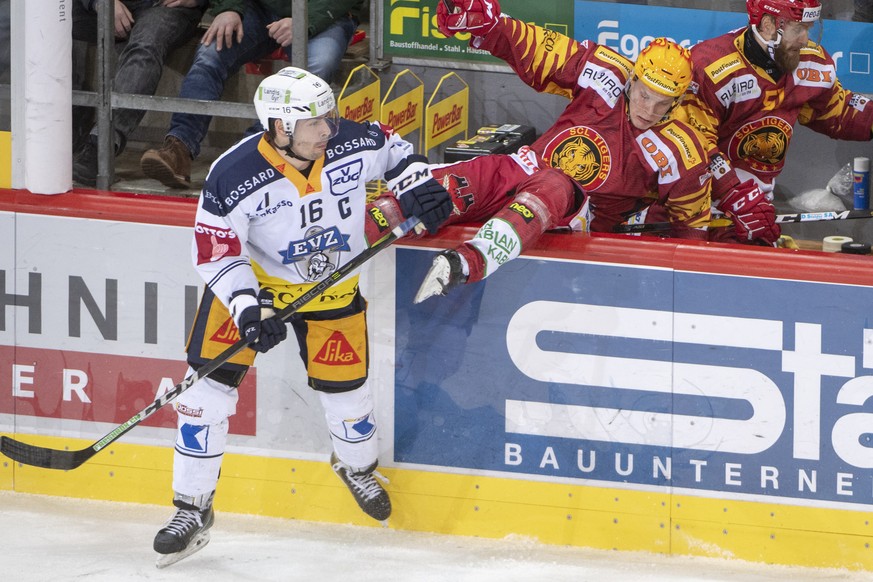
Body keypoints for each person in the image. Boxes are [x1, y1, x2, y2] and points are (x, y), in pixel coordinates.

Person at [151, 66, 452, 566]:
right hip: (259, 290)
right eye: (316, 123)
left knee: (350, 400)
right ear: (280, 126)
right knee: (204, 395)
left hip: (332, 288)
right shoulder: (233, 174)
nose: (329, 130)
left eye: (329, 118)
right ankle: (192, 509)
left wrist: (418, 182)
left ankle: (355, 467)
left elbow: (395, 149)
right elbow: (217, 253)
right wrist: (248, 310)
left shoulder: (350, 141)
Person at [410, 0, 714, 303]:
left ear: (678, 100)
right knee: (461, 178)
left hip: (573, 231)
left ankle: (471, 260)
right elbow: (544, 49)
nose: (649, 110)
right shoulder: (605, 70)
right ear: (633, 78)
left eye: (663, 103)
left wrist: (684, 295)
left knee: (555, 185)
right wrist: (493, 26)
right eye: (644, 95)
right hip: (521, 179)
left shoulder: (681, 147)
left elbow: (692, 229)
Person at [676, 0, 873, 244]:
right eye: (798, 29)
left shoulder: (811, 62)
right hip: (699, 210)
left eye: (809, 29)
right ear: (768, 24)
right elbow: (690, 144)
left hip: (756, 213)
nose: (804, 40)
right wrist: (733, 194)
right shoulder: (709, 66)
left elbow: (838, 111)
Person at [139, 0, 364, 190]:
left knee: (316, 68)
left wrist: (306, 20)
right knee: (211, 51)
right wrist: (229, 7)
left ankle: (251, 155)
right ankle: (180, 149)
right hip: (259, 8)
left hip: (325, 14)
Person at [71, 0, 208, 187]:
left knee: (147, 42)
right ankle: (62, 125)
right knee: (47, 17)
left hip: (168, 6)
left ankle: (101, 146)